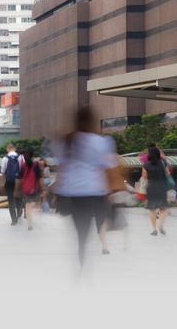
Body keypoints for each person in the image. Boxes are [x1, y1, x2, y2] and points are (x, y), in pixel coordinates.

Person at [53, 106, 117, 268]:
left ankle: (81, 252)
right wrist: (110, 193)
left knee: (81, 229)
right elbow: (108, 169)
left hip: (72, 193)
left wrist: (56, 191)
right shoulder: (101, 142)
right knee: (91, 226)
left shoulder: (66, 141)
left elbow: (61, 169)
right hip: (94, 192)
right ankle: (85, 252)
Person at [142, 146, 170, 236]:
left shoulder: (146, 165)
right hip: (162, 186)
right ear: (158, 153)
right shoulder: (163, 162)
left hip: (151, 187)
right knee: (163, 209)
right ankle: (161, 225)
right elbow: (167, 173)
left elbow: (144, 177)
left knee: (152, 210)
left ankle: (154, 230)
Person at [19, 149, 44, 231]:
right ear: (33, 156)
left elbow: (20, 178)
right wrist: (43, 188)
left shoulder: (22, 165)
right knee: (32, 204)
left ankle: (29, 224)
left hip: (25, 188)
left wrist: (18, 188)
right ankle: (30, 220)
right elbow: (40, 177)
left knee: (28, 205)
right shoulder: (36, 164)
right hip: (33, 188)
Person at [0, 143, 22, 225]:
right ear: (15, 148)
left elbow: (2, 172)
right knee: (19, 197)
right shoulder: (20, 157)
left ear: (7, 149)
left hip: (9, 181)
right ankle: (19, 213)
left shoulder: (5, 158)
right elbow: (21, 170)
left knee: (10, 200)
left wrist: (3, 183)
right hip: (18, 181)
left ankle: (14, 219)